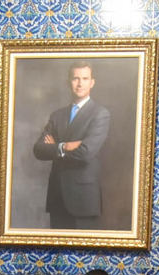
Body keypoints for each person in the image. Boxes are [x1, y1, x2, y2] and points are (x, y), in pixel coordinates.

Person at [31, 61, 110, 230]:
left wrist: (54, 149)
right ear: (68, 82)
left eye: (85, 78)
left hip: (83, 200)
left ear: (92, 82)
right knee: (56, 254)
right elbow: (38, 150)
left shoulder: (100, 114)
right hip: (57, 197)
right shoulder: (57, 115)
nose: (80, 83)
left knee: (83, 255)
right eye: (75, 78)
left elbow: (85, 154)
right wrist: (64, 146)